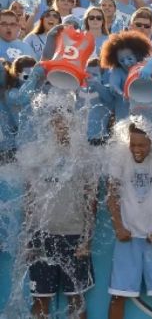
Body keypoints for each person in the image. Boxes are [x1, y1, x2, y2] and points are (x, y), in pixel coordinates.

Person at [23, 111, 97, 319]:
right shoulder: (36, 155)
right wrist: (29, 238)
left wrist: (87, 239)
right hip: (42, 236)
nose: (60, 127)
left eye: (65, 122)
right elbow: (29, 199)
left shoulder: (84, 156)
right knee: (40, 300)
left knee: (76, 300)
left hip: (73, 236)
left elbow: (91, 203)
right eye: (56, 122)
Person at [106, 122, 152, 319]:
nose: (136, 150)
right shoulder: (119, 154)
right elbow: (111, 194)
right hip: (128, 237)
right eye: (133, 145)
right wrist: (118, 226)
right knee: (117, 296)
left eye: (142, 146)